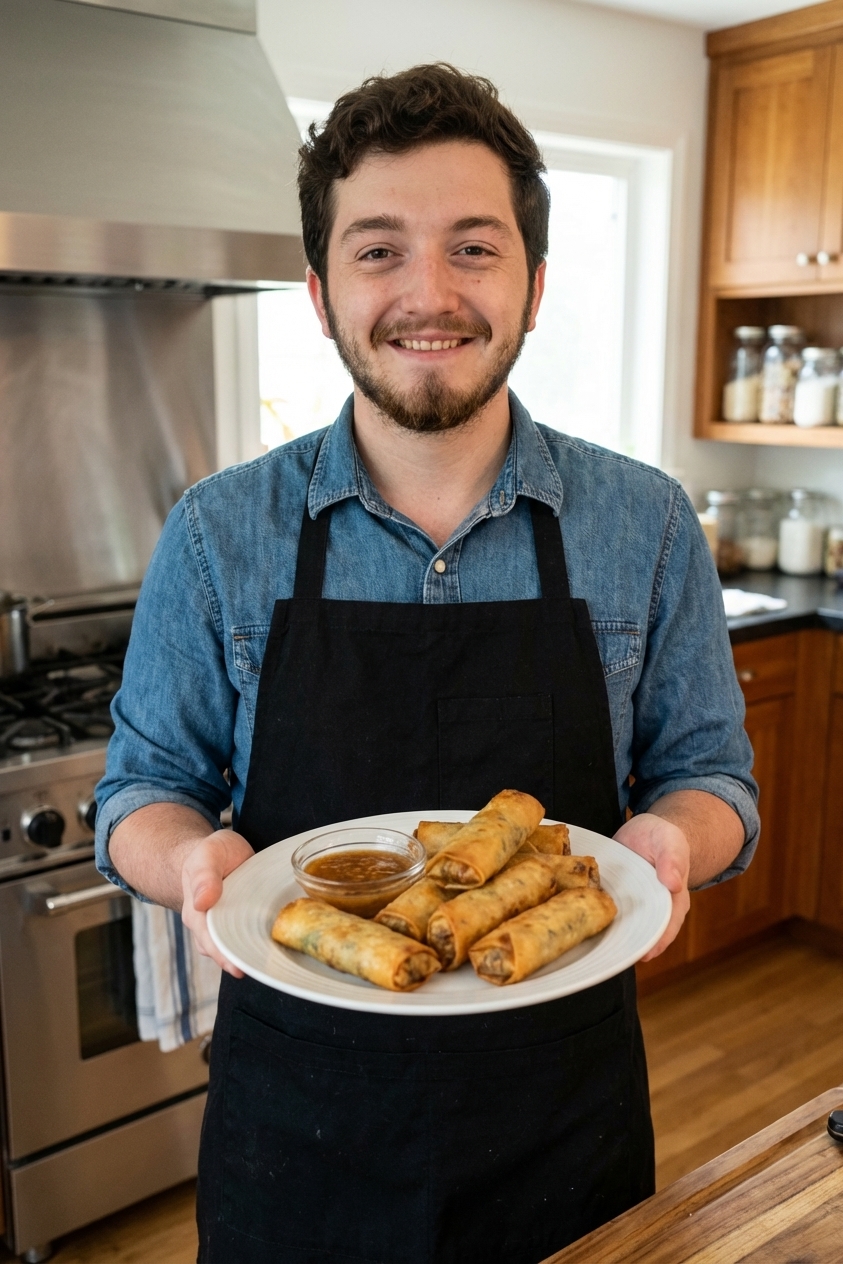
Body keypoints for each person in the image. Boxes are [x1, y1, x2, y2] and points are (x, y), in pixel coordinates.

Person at [96, 63, 759, 1264]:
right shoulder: (218, 531)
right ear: (318, 290)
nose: (428, 294)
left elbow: (714, 776)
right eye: (378, 250)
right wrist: (193, 859)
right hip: (296, 1127)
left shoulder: (648, 524)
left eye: (473, 246)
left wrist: (676, 844)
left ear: (535, 283)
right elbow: (138, 791)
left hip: (567, 1115)